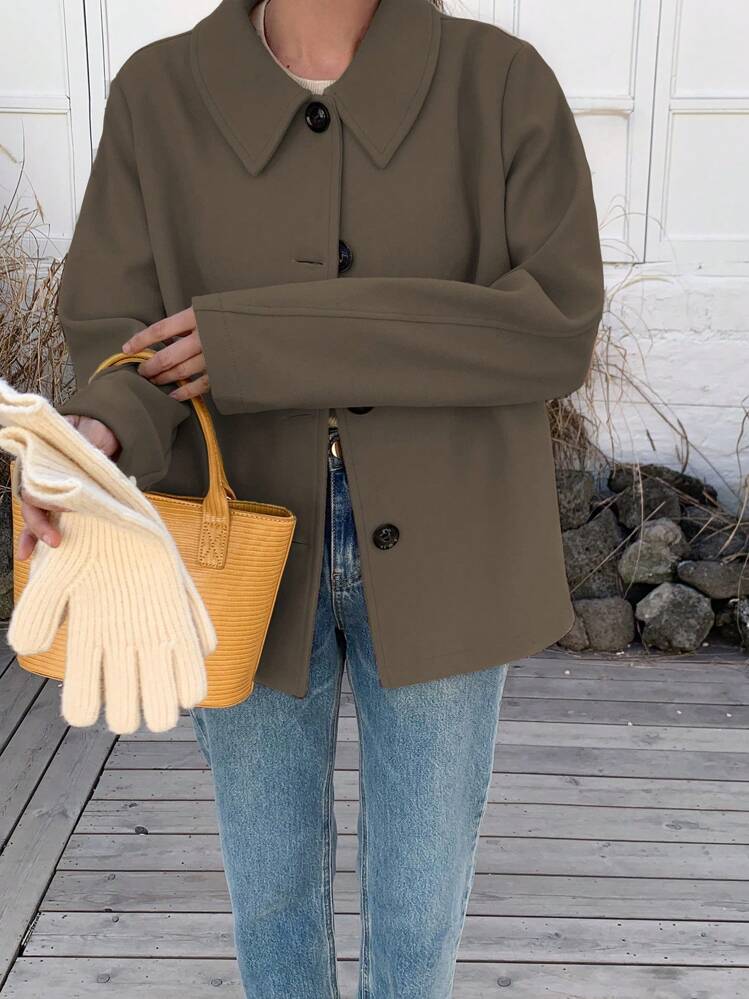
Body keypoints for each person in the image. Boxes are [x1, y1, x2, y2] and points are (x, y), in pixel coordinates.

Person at [17, 0, 605, 994]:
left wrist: (261, 341)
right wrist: (94, 434)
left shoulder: (499, 84)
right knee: (271, 897)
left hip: (451, 548)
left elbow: (551, 328)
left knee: (419, 910)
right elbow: (121, 336)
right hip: (232, 546)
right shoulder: (159, 94)